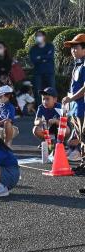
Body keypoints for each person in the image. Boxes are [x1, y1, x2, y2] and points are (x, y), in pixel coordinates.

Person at [62, 34, 85, 175]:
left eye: (76, 47)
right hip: (77, 107)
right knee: (81, 137)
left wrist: (71, 98)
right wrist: (69, 98)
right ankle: (83, 163)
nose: (72, 50)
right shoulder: (78, 64)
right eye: (72, 48)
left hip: (83, 106)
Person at [30, 31, 56, 105]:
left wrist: (40, 57)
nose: (38, 37)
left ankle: (53, 106)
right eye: (37, 36)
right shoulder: (33, 49)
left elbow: (50, 56)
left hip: (49, 72)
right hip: (38, 73)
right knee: (38, 91)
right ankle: (40, 107)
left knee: (52, 90)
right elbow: (33, 59)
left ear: (44, 37)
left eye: (40, 36)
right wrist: (44, 57)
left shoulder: (50, 46)